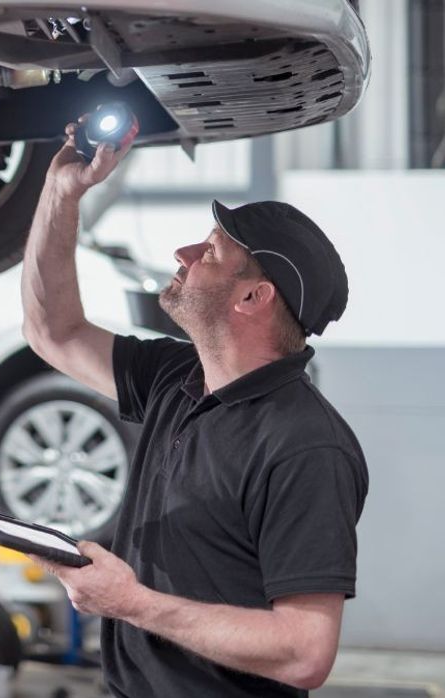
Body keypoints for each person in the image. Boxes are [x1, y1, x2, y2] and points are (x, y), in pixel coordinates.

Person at [19, 117, 368, 696]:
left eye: (210, 250)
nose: (183, 253)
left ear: (254, 297)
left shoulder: (306, 446)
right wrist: (62, 193)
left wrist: (131, 603)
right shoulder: (175, 377)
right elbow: (52, 329)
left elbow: (305, 652)